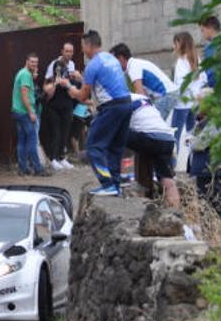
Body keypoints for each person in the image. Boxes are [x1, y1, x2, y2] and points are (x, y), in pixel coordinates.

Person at [60, 30, 132, 196]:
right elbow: (103, 82)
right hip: (126, 104)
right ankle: (115, 185)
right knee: (115, 147)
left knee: (93, 146)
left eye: (82, 47)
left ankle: (107, 184)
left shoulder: (92, 65)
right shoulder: (110, 59)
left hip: (111, 107)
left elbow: (83, 96)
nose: (82, 50)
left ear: (88, 45)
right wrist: (82, 80)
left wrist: (71, 88)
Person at [126, 95, 180, 208]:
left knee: (116, 132)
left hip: (149, 138)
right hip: (167, 138)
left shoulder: (120, 101)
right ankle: (175, 211)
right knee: (167, 178)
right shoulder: (147, 103)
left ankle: (123, 177)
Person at [109, 43, 178, 119]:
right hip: (170, 93)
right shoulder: (135, 64)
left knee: (153, 123)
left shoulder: (133, 67)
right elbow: (144, 94)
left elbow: (140, 94)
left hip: (167, 95)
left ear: (121, 58)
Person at [11, 53, 47, 177]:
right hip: (25, 113)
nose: (34, 64)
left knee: (22, 141)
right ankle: (38, 169)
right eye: (32, 62)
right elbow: (24, 95)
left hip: (17, 112)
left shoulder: (22, 73)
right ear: (26, 61)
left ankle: (23, 168)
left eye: (36, 62)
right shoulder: (26, 75)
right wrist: (31, 112)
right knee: (32, 141)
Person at [170, 31, 205, 151]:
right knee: (192, 135)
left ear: (180, 44)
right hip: (194, 103)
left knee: (175, 135)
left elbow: (180, 84)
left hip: (181, 104)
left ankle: (171, 165)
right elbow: (203, 79)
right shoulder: (197, 59)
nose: (173, 46)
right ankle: (193, 161)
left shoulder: (181, 62)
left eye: (175, 43)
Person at [42, 56, 78, 171]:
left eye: (61, 69)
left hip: (66, 109)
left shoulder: (69, 80)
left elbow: (73, 95)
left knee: (65, 133)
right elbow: (48, 94)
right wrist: (55, 83)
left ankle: (62, 157)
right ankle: (53, 158)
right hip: (53, 110)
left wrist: (67, 84)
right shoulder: (50, 80)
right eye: (57, 69)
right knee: (56, 133)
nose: (60, 71)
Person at [199, 16, 220, 89]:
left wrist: (204, 86)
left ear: (210, 28)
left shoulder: (210, 47)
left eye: (203, 30)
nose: (202, 34)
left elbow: (211, 71)